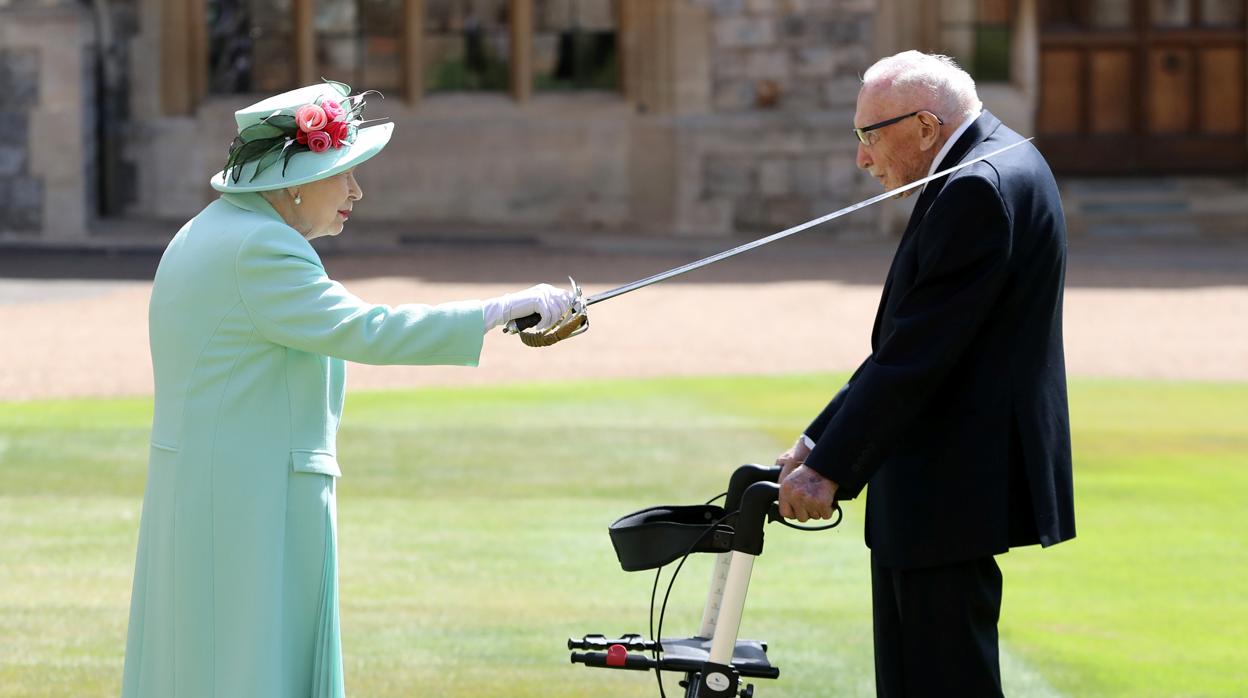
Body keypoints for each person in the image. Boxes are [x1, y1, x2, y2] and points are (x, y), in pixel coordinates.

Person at [120, 82, 577, 698]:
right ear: (293, 182)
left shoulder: (210, 229)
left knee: (203, 665)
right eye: (343, 172)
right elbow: (369, 331)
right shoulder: (261, 247)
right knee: (249, 670)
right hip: (248, 501)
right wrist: (500, 309)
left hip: (213, 491)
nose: (356, 190)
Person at [775, 52, 1075, 696]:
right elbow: (912, 341)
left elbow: (919, 355)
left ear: (927, 127)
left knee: (942, 679)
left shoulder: (976, 185)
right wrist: (816, 440)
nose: (863, 158)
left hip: (950, 479)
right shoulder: (1000, 158)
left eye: (869, 135)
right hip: (948, 474)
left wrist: (828, 468)